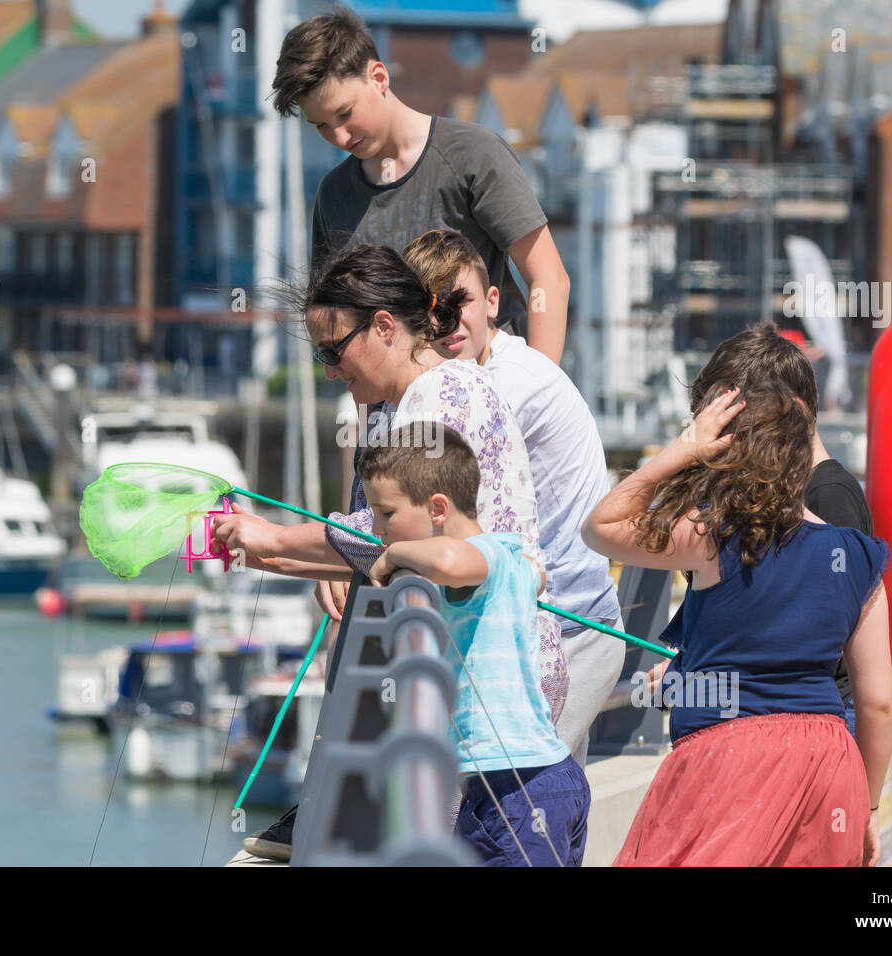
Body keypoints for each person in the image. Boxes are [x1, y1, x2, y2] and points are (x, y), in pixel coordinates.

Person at [212, 244, 565, 861]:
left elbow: (383, 538)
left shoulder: (435, 399)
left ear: (383, 326)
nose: (328, 370)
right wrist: (261, 551)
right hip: (489, 667)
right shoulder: (433, 393)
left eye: (332, 350)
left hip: (490, 677)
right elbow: (381, 543)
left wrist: (265, 537)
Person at [584, 384, 892, 866]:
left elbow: (600, 526)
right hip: (829, 761)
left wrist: (684, 447)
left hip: (729, 759)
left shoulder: (713, 537)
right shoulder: (858, 556)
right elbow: (877, 703)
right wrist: (868, 806)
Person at [403, 228, 623, 767]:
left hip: (570, 627)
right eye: (431, 309)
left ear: (494, 301)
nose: (447, 323)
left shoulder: (501, 385)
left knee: (520, 810)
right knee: (550, 817)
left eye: (461, 303)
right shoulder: (482, 375)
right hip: (559, 621)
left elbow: (426, 506)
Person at [272, 5, 570, 362]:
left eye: (344, 113)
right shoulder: (333, 195)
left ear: (379, 77)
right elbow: (337, 325)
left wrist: (537, 395)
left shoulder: (473, 154)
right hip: (398, 414)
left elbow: (549, 280)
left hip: (494, 397)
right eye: (320, 125)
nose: (337, 135)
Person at [363, 426, 589, 866]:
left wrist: (396, 556)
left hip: (517, 788)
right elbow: (535, 575)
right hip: (537, 783)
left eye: (385, 513)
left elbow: (449, 559)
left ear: (438, 508)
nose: (376, 528)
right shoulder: (506, 557)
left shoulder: (479, 557)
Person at [651, 322, 873, 735]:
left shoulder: (827, 498)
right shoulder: (786, 492)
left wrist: (690, 682)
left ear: (795, 413)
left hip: (811, 729)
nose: (727, 441)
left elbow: (798, 652)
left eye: (740, 424)